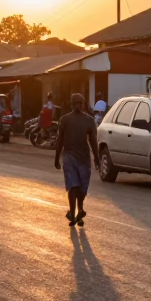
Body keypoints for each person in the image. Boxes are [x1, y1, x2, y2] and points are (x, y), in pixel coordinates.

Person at [53, 93, 100, 227]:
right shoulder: (89, 120)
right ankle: (79, 211)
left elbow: (59, 141)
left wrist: (57, 159)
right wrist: (96, 158)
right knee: (81, 187)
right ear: (83, 103)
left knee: (74, 186)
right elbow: (93, 142)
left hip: (70, 156)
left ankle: (74, 214)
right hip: (83, 158)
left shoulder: (65, 119)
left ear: (71, 104)